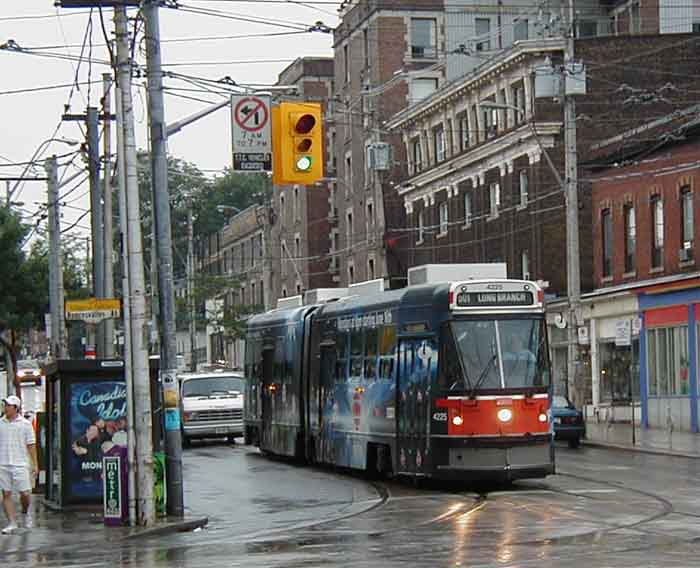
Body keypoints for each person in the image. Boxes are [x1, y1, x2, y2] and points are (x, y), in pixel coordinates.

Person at [0, 395, 38, 534]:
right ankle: (12, 522)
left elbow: (31, 445)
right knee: (6, 493)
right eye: (5, 405)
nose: (5, 408)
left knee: (25, 493)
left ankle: (24, 509)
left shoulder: (25, 424)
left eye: (8, 406)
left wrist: (35, 464)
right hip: (3, 463)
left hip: (20, 463)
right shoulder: (1, 422)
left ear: (15, 408)